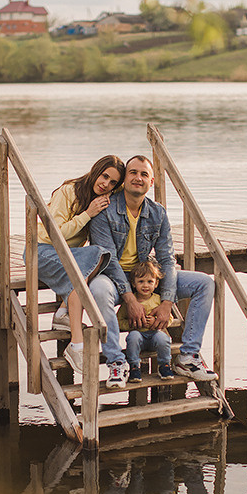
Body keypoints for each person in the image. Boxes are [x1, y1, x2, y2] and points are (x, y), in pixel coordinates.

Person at [88, 154, 217, 388]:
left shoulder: (158, 212)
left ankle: (187, 357)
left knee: (204, 283)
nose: (138, 178)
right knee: (97, 289)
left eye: (144, 174)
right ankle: (117, 362)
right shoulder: (105, 210)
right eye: (133, 173)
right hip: (113, 278)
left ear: (152, 182)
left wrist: (167, 302)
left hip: (145, 278)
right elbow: (109, 260)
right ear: (125, 179)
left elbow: (167, 259)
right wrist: (130, 298)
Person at [32, 155, 126, 374]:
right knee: (90, 259)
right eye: (104, 176)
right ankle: (76, 344)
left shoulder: (103, 197)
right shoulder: (69, 191)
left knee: (99, 254)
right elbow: (54, 234)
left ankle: (65, 311)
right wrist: (87, 214)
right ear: (96, 169)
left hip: (69, 255)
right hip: (43, 251)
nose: (106, 184)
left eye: (113, 183)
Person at [116, 259, 175, 383]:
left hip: (154, 334)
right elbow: (119, 321)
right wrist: (132, 325)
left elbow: (169, 318)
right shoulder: (130, 303)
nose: (145, 285)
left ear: (156, 283)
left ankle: (164, 365)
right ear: (133, 283)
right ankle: (134, 367)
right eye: (141, 282)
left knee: (163, 338)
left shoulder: (158, 299)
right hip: (138, 335)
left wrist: (156, 321)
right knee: (133, 337)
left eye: (150, 282)